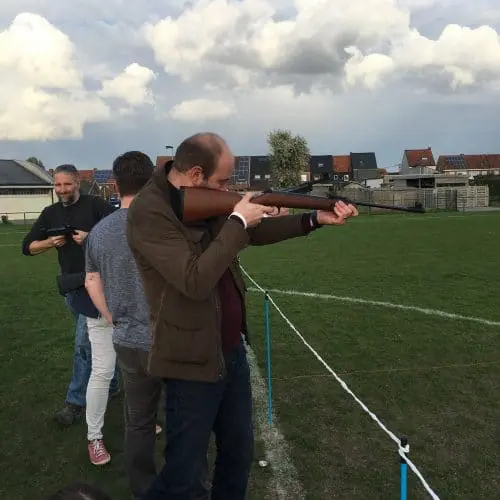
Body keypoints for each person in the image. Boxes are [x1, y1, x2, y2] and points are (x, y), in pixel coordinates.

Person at [126, 132, 359, 500]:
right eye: (223, 181)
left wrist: (314, 219)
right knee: (184, 476)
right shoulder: (149, 211)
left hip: (231, 351)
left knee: (238, 457)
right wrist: (237, 221)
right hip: (190, 361)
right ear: (197, 174)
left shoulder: (203, 197)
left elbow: (252, 234)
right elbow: (194, 280)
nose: (228, 189)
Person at [21, 163, 120, 426]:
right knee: (99, 339)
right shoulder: (50, 213)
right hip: (72, 288)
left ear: (77, 183)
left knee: (83, 345)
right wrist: (49, 242)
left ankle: (75, 402)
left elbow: (121, 235)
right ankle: (113, 383)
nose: (62, 189)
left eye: (67, 184)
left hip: (98, 286)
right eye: (58, 184)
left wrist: (90, 237)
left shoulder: (96, 205)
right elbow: (27, 247)